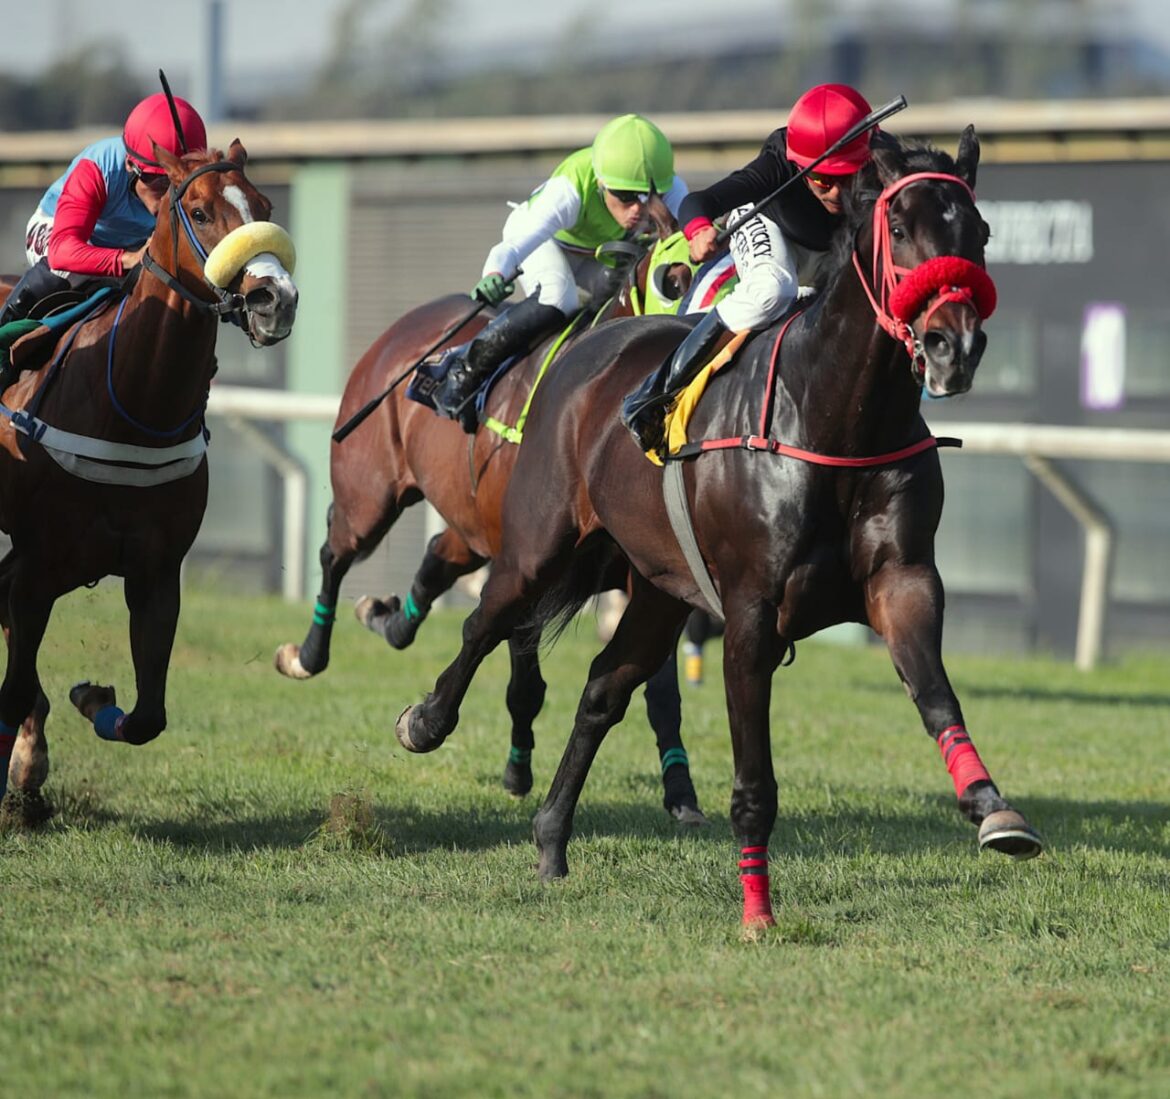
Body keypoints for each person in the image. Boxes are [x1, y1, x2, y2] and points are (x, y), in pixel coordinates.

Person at [621, 83, 883, 455]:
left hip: (833, 251)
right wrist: (698, 230)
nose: (838, 193)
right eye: (823, 180)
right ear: (799, 165)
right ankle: (654, 392)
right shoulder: (778, 163)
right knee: (773, 290)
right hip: (772, 228)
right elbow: (699, 202)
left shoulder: (883, 158)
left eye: (849, 176)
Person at [433, 113, 689, 432]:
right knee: (560, 296)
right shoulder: (570, 188)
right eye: (624, 197)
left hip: (598, 257)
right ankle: (465, 370)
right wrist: (495, 273)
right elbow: (511, 248)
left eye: (648, 197)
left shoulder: (674, 190)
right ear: (601, 184)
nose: (638, 209)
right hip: (546, 244)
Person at [0, 91, 207, 335]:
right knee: (66, 272)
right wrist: (128, 259)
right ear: (130, 164)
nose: (166, 194)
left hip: (133, 245)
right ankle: (5, 330)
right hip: (59, 232)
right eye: (156, 179)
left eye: (176, 183)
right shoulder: (97, 167)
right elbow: (62, 251)